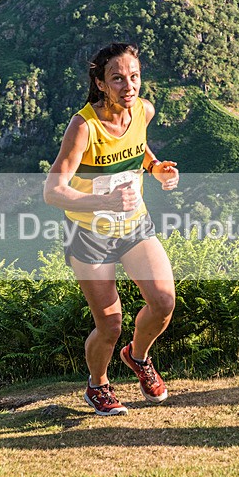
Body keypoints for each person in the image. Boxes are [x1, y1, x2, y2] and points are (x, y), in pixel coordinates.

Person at [43, 42, 179, 416]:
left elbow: (139, 146)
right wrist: (104, 202)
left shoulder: (143, 111)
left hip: (135, 226)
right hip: (89, 235)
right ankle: (97, 385)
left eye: (133, 77)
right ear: (101, 83)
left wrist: (156, 168)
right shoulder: (83, 126)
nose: (128, 86)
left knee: (163, 302)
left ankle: (138, 357)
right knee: (110, 324)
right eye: (117, 78)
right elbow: (53, 192)